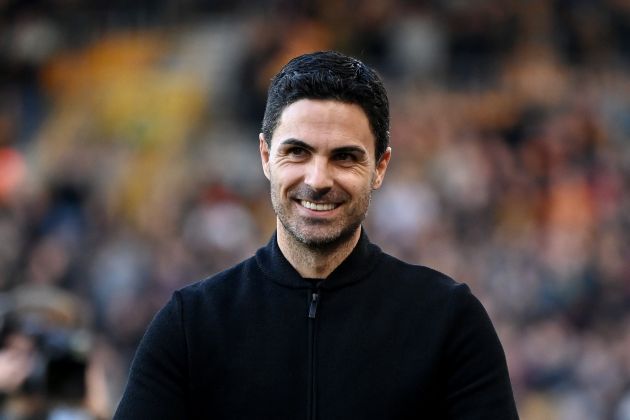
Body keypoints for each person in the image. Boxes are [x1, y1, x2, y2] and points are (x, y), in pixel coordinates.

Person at [114, 50, 519, 419]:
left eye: (344, 157)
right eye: (297, 152)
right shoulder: (190, 324)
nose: (318, 179)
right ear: (265, 156)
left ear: (380, 167)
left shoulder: (449, 321)